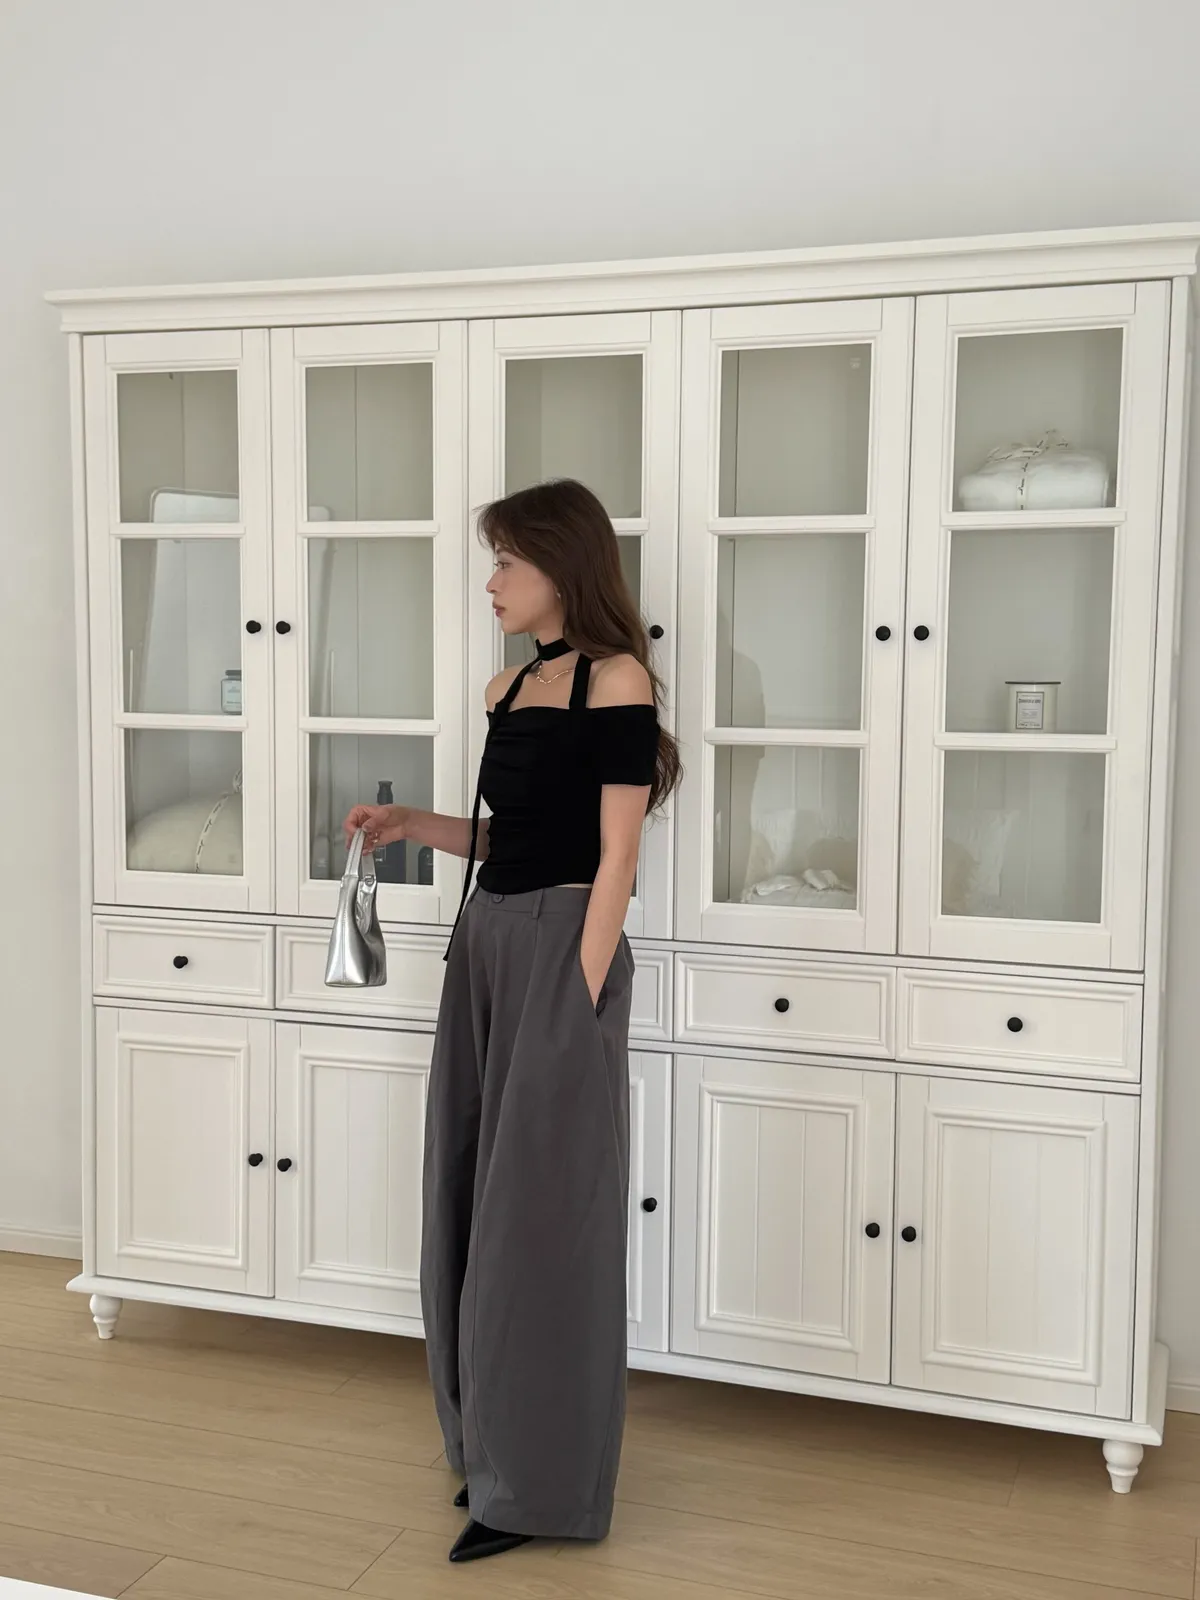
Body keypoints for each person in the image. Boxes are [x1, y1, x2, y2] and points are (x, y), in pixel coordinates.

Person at [343, 478, 681, 1564]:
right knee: (466, 1193)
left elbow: (616, 857)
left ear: (561, 565)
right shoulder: (510, 683)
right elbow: (515, 838)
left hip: (562, 950)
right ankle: (486, 1448)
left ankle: (539, 1487)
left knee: (542, 1219)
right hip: (487, 942)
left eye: (506, 561)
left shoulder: (617, 679)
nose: (490, 581)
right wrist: (412, 824)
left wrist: (578, 991)